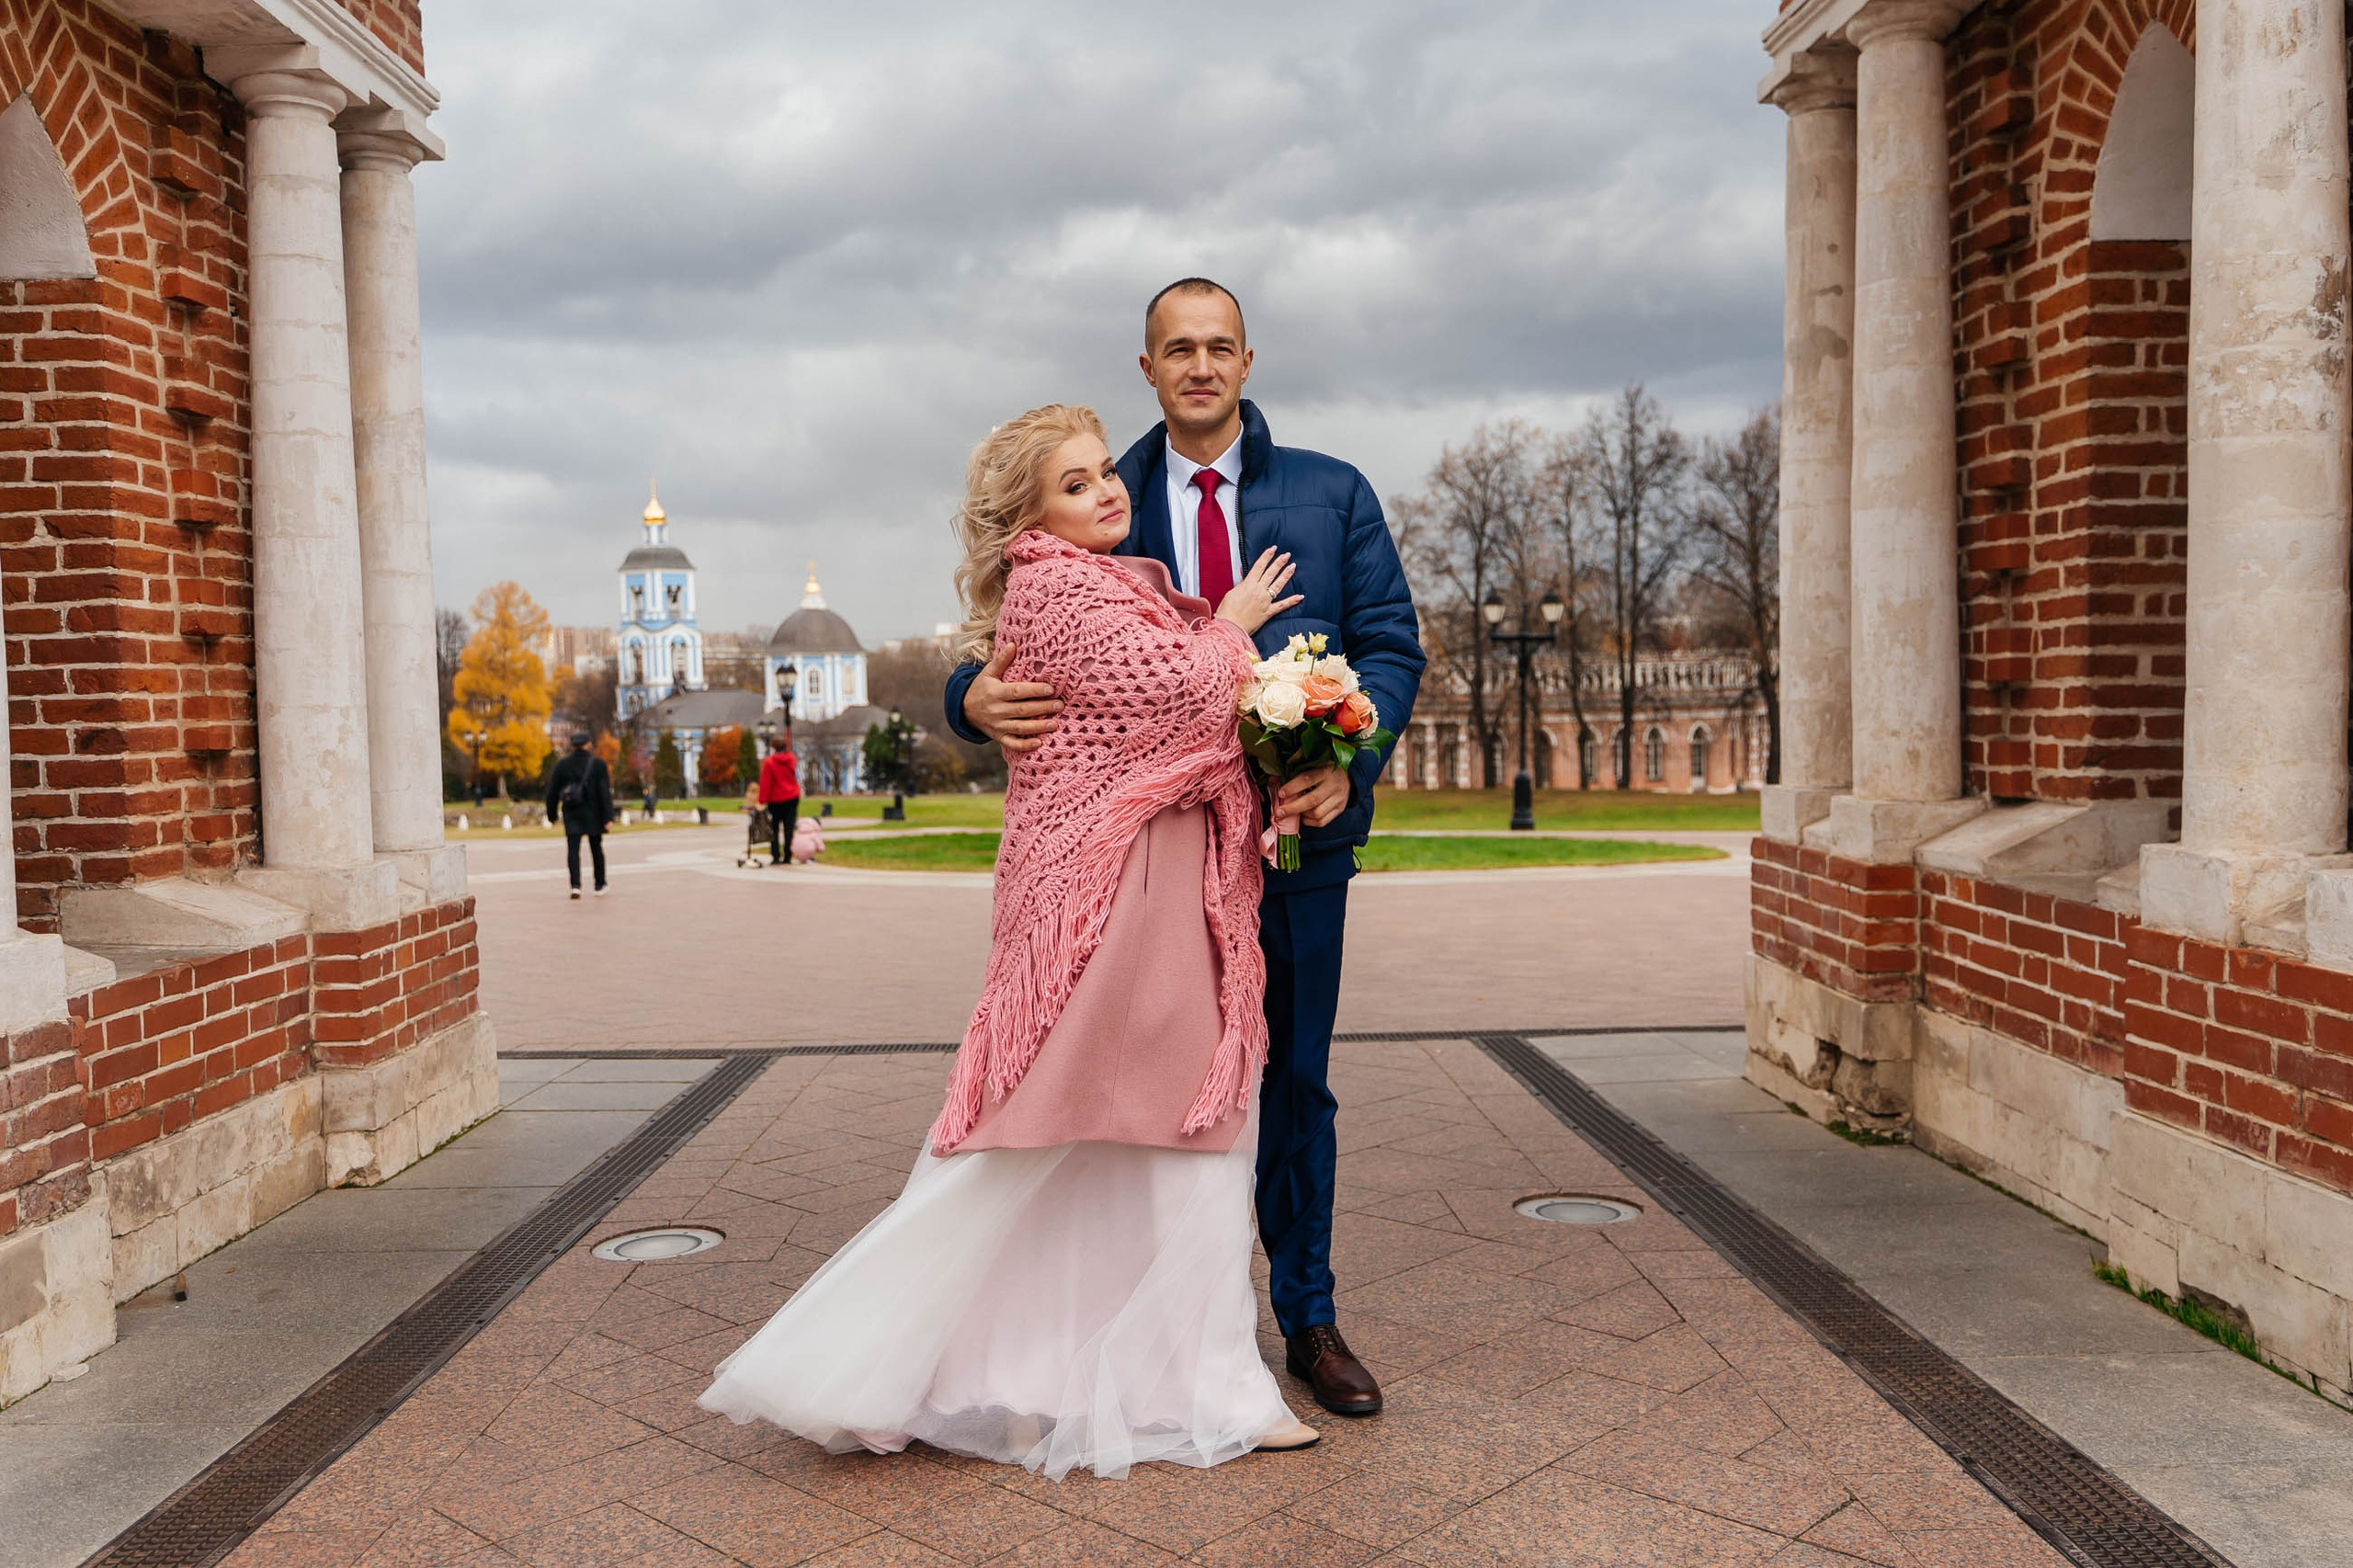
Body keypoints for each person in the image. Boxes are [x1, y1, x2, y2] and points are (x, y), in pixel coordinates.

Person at [703, 403, 1320, 1478]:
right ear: (1029, 517)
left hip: (1170, 886)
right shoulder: (1059, 588)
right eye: (1073, 483)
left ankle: (1103, 1377)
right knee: (1127, 1130)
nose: (1103, 491)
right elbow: (1177, 691)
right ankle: (938, 1366)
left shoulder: (1111, 580)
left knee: (1151, 1140)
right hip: (1110, 900)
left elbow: (1187, 707)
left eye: (1100, 474)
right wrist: (1231, 625)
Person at [944, 279, 1423, 1419]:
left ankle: (1308, 1315)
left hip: (1297, 843)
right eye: (1176, 349)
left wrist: (1347, 761)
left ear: (1247, 360)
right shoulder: (1105, 492)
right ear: (1148, 366)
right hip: (1149, 865)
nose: (1199, 366)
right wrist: (969, 698)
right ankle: (1153, 1329)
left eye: (1219, 347)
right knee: (1142, 1093)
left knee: (1294, 1083)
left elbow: (1392, 647)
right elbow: (1014, 625)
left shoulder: (1332, 490)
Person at [545, 732, 615, 899]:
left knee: (573, 850)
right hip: (594, 812)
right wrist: (608, 816)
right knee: (596, 848)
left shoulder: (562, 765)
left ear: (572, 745)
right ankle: (599, 884)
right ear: (588, 744)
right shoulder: (598, 765)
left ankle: (575, 885)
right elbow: (604, 791)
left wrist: (552, 814)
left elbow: (552, 792)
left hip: (572, 812)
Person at [757, 731, 801, 866]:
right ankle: (788, 855)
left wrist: (762, 800)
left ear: (773, 748)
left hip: (776, 799)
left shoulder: (769, 762)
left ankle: (776, 856)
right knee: (789, 828)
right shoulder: (791, 759)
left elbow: (766, 782)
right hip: (792, 796)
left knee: (774, 829)